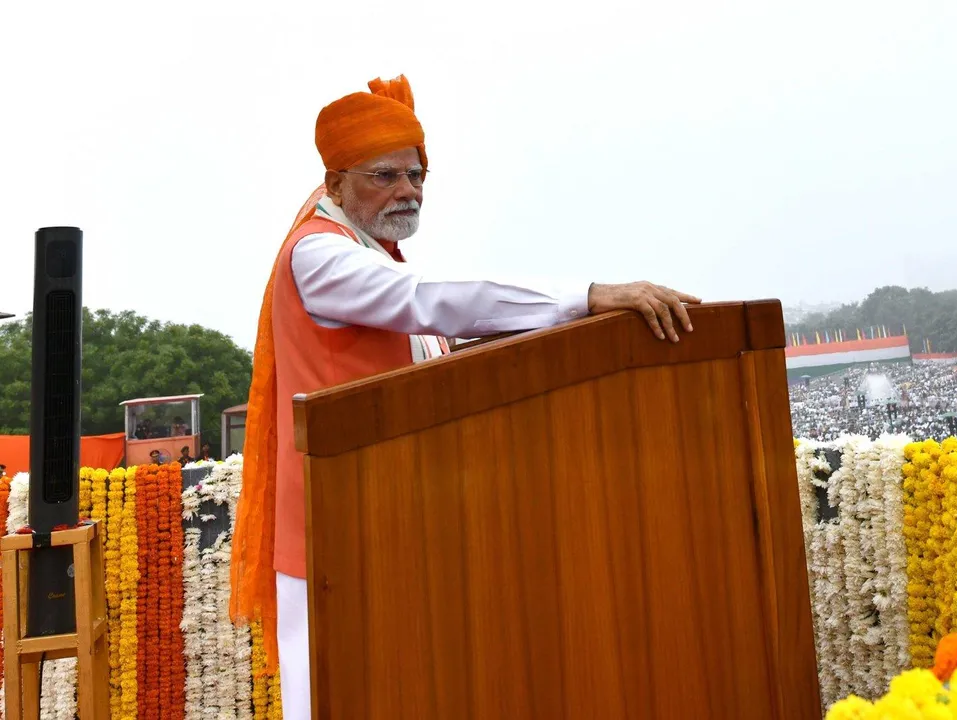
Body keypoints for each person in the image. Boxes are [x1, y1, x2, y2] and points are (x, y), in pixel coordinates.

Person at [229, 74, 699, 720]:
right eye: (385, 176)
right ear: (336, 182)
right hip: (333, 537)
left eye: (416, 176)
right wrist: (589, 297)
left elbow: (431, 336)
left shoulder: (372, 251)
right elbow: (432, 300)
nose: (408, 192)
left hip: (395, 522)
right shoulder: (319, 256)